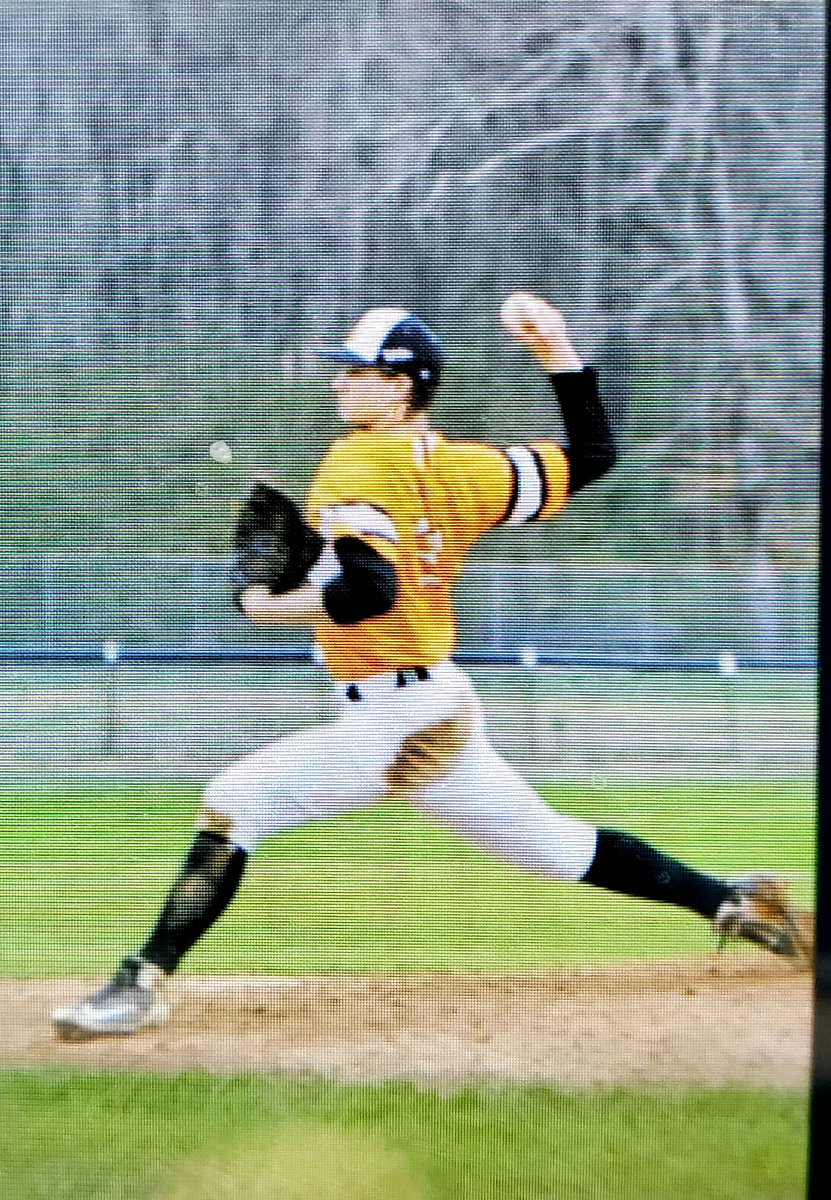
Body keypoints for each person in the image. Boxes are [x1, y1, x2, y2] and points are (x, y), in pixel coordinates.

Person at [52, 294, 808, 1039]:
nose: (339, 381)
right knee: (555, 847)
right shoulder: (461, 466)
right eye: (342, 369)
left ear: (400, 383)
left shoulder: (358, 458)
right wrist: (558, 356)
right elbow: (593, 456)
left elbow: (367, 593)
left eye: (357, 369)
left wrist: (262, 607)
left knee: (233, 801)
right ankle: (732, 901)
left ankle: (141, 983)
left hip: (395, 719)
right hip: (435, 706)